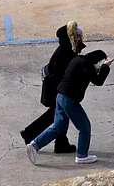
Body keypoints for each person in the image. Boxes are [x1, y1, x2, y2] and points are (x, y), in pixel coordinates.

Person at [26, 22, 113, 165]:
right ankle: (82, 155)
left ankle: (34, 145)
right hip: (68, 99)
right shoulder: (85, 64)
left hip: (59, 96)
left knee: (58, 127)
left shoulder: (77, 59)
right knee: (84, 127)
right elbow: (98, 81)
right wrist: (105, 67)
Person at [19, 23, 78, 154]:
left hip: (55, 88)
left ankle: (59, 142)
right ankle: (31, 134)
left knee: (58, 115)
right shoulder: (66, 52)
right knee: (58, 115)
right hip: (55, 90)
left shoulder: (65, 49)